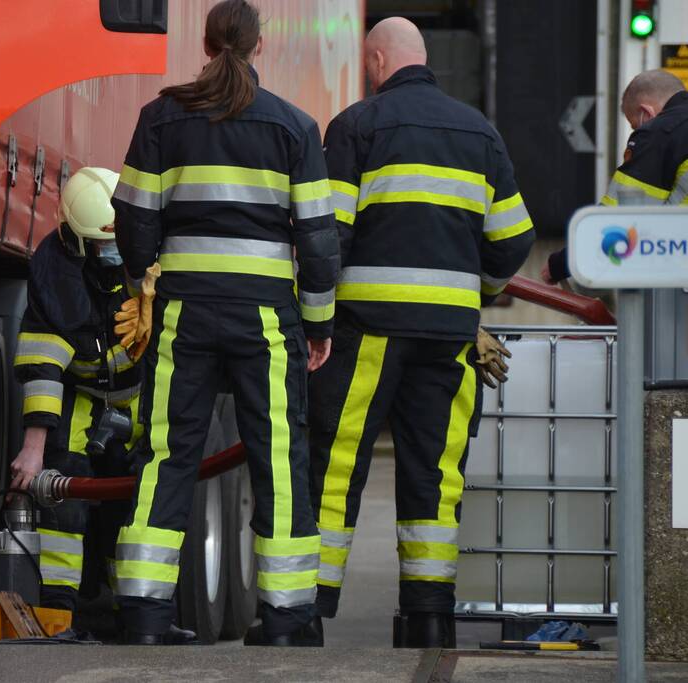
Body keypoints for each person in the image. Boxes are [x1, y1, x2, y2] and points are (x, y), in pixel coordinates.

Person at [109, 0, 339, 647]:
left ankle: (147, 616)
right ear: (258, 48)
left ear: (207, 45)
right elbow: (318, 241)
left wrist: (140, 282)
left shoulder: (161, 118)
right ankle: (289, 619)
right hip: (266, 317)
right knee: (278, 459)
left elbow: (132, 215)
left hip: (183, 311)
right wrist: (318, 323)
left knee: (166, 451)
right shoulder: (294, 127)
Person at [311, 17, 534, 648]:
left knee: (336, 464)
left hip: (367, 332)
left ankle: (306, 612)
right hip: (451, 337)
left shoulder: (356, 126)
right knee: (436, 474)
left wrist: (317, 317)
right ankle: (429, 619)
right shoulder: (480, 132)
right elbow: (514, 240)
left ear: (377, 60)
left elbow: (330, 234)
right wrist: (476, 297)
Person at [8, 167, 195, 644]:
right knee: (65, 504)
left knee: (139, 508)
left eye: (117, 241)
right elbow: (43, 365)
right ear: (74, 239)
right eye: (99, 244)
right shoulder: (56, 278)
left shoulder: (156, 262)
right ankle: (59, 619)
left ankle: (140, 618)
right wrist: (34, 449)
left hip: (142, 402)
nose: (110, 252)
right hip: (83, 400)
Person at [541, 69, 687, 284]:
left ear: (646, 113)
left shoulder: (660, 132)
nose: (637, 131)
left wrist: (560, 264)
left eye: (635, 125)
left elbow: (619, 216)